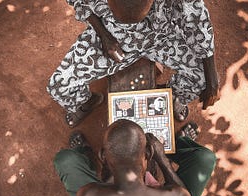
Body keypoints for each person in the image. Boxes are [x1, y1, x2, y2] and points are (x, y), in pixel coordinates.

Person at [47, 0, 219, 127]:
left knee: (202, 78)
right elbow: (79, 2)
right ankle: (88, 101)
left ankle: (173, 97)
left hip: (161, 39)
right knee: (59, 85)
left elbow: (199, 23)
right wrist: (104, 36)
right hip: (112, 37)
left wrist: (212, 81)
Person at [54, 120, 216, 196]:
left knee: (65, 160)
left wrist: (110, 175)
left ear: (103, 156)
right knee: (205, 159)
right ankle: (178, 142)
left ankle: (84, 152)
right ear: (148, 153)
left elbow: (106, 185)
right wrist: (162, 160)